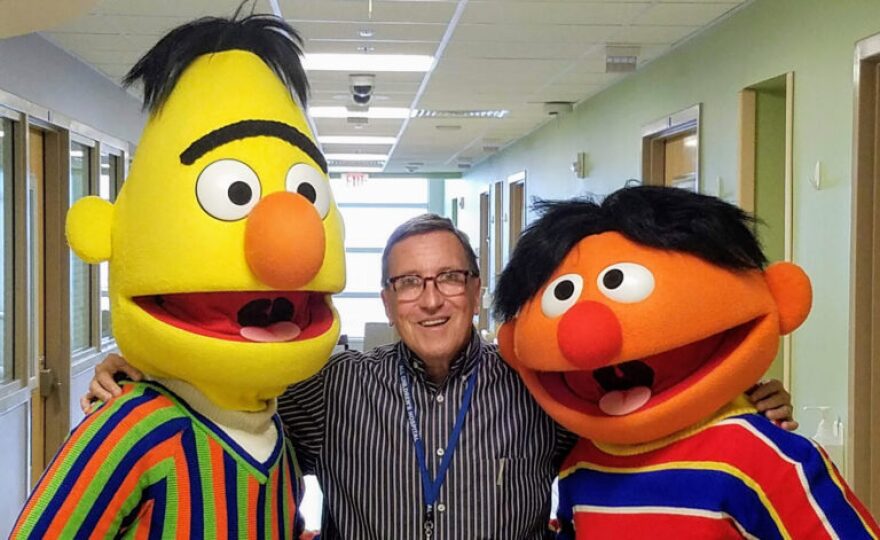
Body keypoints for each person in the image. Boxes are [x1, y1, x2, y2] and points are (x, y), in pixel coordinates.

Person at [86, 214, 796, 539]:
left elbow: (637, 429)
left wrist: (738, 404)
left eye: (449, 278)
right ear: (387, 300)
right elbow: (233, 413)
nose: (430, 299)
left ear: (478, 289)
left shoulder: (535, 384)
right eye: (409, 284)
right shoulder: (334, 387)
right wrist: (141, 375)